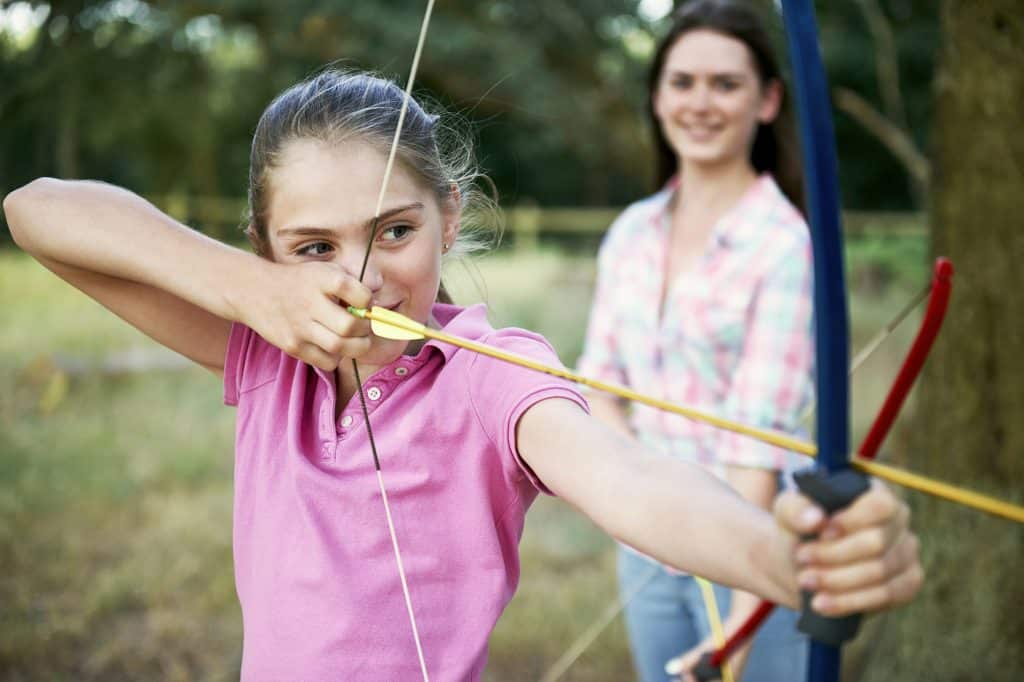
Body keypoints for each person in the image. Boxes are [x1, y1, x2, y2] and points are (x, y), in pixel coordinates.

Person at [4, 68, 921, 682]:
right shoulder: (268, 349)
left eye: (393, 231)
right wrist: (255, 292)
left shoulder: (489, 375)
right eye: (313, 246)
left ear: (449, 215)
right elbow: (36, 210)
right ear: (265, 248)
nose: (360, 280)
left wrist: (779, 557)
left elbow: (626, 478)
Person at [578, 1, 828, 680]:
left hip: (746, 547)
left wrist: (743, 622)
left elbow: (755, 444)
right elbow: (599, 385)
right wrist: (641, 507)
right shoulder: (632, 231)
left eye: (726, 84)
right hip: (645, 548)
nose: (701, 103)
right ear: (657, 96)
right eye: (682, 82)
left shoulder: (784, 246)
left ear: (768, 100)